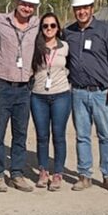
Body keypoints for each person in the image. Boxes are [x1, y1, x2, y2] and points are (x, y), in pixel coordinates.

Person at [63, 0, 108, 194]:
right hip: (78, 93)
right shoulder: (68, 32)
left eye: (85, 8)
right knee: (82, 136)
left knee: (105, 135)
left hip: (101, 92)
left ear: (92, 8)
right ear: (74, 10)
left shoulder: (105, 31)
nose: (82, 12)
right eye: (78, 8)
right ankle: (84, 175)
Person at [0, 0, 41, 192]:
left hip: (24, 88)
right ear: (17, 2)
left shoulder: (37, 24)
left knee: (20, 133)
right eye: (24, 4)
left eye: (31, 6)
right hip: (2, 85)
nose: (27, 8)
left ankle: (16, 173)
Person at [29, 12, 71, 192]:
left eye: (52, 26)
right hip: (38, 96)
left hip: (61, 95)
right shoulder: (35, 46)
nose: (49, 29)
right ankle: (43, 171)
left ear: (58, 28)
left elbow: (71, 66)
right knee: (42, 136)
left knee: (59, 135)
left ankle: (58, 173)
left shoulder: (65, 47)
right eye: (45, 26)